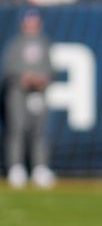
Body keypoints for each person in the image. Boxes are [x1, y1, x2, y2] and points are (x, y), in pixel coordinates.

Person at [2, 10, 56, 189]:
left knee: (39, 131)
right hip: (18, 92)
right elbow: (8, 70)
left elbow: (51, 69)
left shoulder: (44, 43)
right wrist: (22, 78)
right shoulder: (15, 44)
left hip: (38, 93)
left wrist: (42, 79)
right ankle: (15, 167)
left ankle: (39, 167)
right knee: (16, 129)